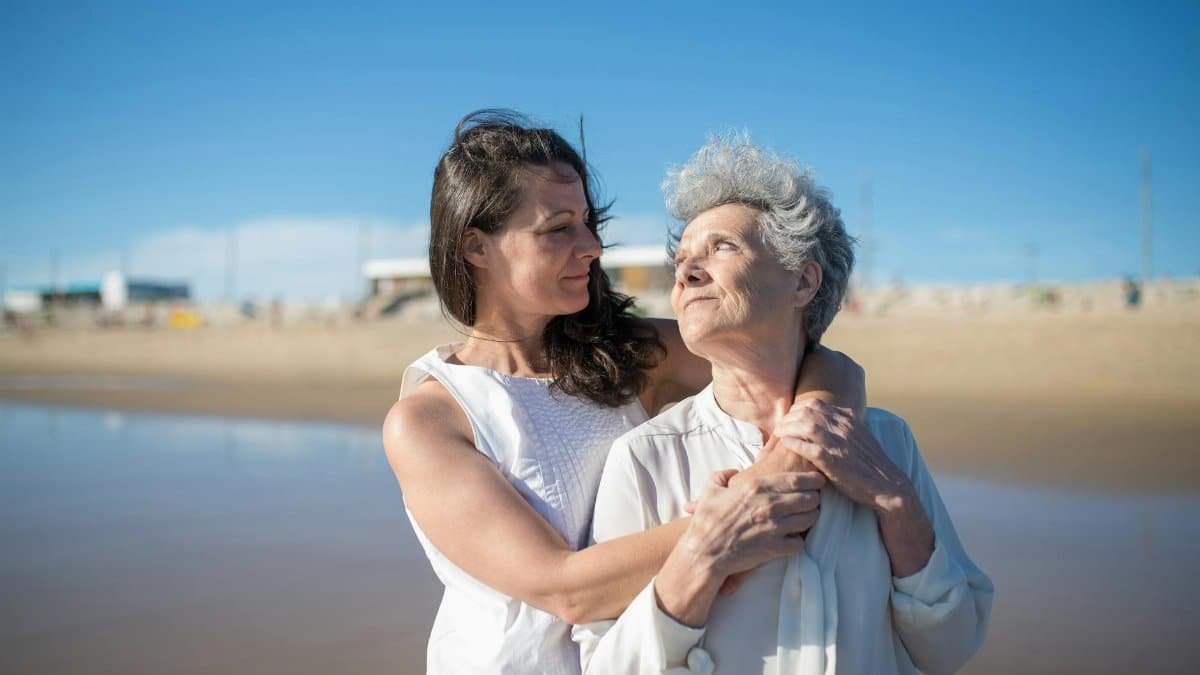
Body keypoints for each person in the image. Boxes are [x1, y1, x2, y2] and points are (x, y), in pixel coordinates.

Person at [382, 111, 867, 674]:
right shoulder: (430, 420)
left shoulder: (625, 355)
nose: (590, 246)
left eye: (588, 223)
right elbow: (565, 591)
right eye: (557, 228)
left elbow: (822, 362)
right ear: (476, 247)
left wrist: (784, 462)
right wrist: (729, 524)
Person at [574, 136, 994, 674]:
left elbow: (953, 645)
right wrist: (704, 555)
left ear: (803, 280)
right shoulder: (645, 458)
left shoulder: (886, 443)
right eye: (681, 261)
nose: (686, 272)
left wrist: (894, 501)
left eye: (721, 247)